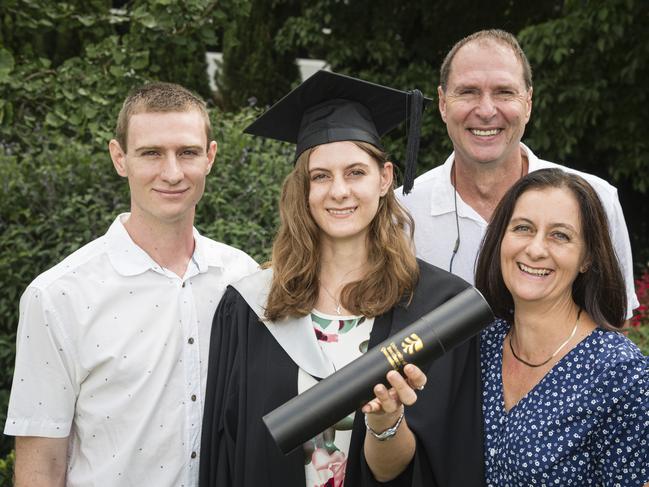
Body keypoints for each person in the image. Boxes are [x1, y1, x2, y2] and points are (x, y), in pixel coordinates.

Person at [199, 71, 484, 487]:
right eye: (321, 176)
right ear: (304, 189)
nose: (338, 191)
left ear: (384, 178)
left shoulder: (437, 309)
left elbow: (446, 459)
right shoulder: (252, 306)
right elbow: (225, 452)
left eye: (355, 172)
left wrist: (387, 421)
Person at [4, 82, 258, 486]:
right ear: (119, 158)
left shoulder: (242, 278)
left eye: (187, 152)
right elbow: (41, 466)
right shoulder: (58, 296)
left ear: (210, 157)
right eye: (151, 153)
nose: (172, 173)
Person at [397, 29, 639, 318]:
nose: (486, 110)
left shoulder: (595, 199)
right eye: (468, 92)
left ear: (528, 103)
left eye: (504, 92)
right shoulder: (399, 212)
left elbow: (614, 326)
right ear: (442, 103)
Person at [474, 168, 648, 485]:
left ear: (587, 259)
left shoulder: (621, 374)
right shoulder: (482, 344)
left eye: (560, 235)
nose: (536, 249)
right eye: (523, 228)